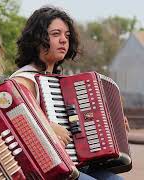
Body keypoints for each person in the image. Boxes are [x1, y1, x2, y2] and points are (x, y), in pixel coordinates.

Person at [10, 6, 124, 180]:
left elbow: (76, 123)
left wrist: (111, 122)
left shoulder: (61, 83)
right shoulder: (22, 81)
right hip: (44, 171)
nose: (64, 40)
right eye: (56, 34)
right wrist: (47, 126)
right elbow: (11, 125)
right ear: (37, 39)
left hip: (74, 164)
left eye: (67, 35)